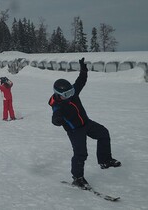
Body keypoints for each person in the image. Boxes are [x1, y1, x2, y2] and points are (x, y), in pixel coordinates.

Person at [48, 58, 121, 189]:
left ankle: (105, 161)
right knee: (80, 154)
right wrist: (57, 121)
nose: (70, 95)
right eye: (66, 94)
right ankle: (77, 178)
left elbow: (80, 82)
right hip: (75, 130)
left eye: (71, 92)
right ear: (58, 95)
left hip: (86, 123)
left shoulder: (72, 94)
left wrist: (83, 70)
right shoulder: (58, 107)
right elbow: (55, 117)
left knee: (103, 133)